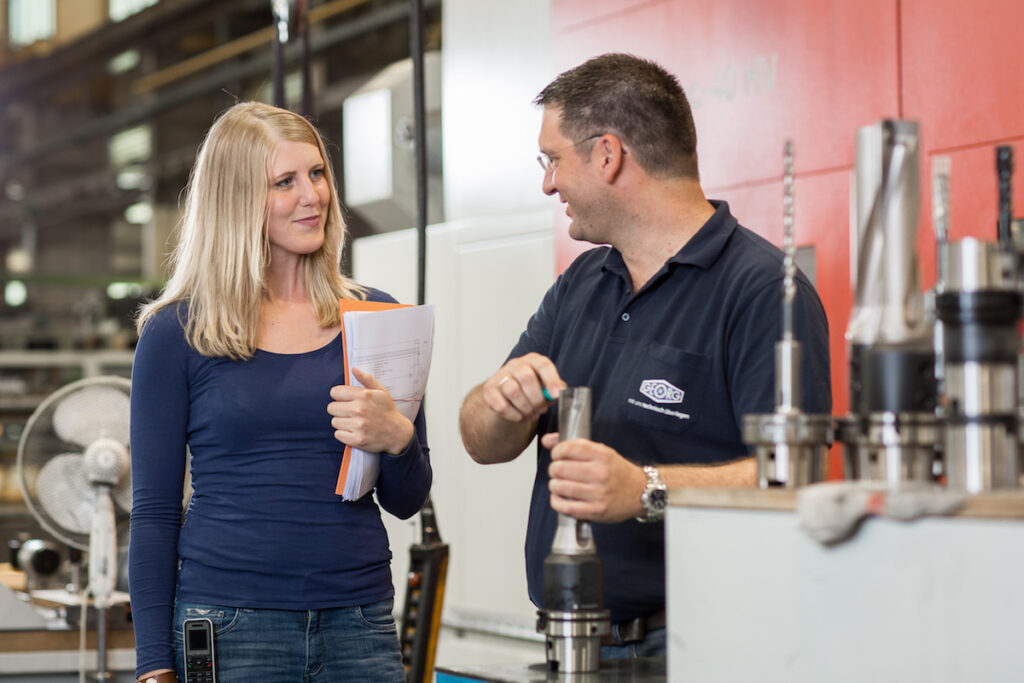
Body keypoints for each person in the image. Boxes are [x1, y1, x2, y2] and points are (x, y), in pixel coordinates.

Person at [458, 53, 831, 659]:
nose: (547, 184)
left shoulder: (763, 291)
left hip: (697, 646)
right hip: (571, 643)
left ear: (608, 155)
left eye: (552, 160)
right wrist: (501, 403)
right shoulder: (582, 282)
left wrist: (645, 488)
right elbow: (481, 441)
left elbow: (795, 479)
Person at [128, 101, 431, 683]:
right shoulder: (179, 332)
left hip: (359, 623)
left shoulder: (378, 318)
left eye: (317, 174)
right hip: (230, 624)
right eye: (284, 182)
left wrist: (398, 439)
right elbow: (156, 512)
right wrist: (152, 666)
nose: (312, 196)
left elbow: (406, 499)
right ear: (238, 200)